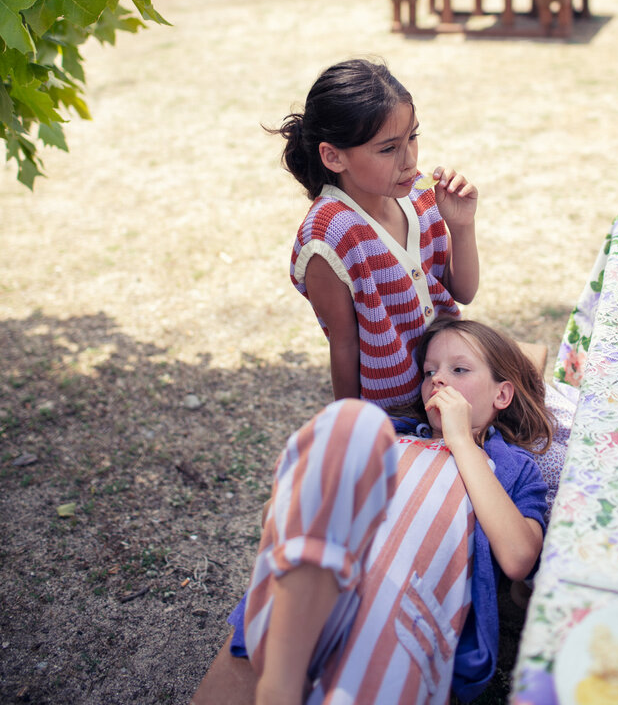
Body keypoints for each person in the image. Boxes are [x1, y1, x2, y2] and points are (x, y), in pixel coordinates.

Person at [191, 318, 553, 705]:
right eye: (429, 372)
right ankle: (295, 636)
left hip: (408, 603)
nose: (438, 381)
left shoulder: (512, 467)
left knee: (377, 616)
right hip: (335, 561)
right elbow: (275, 514)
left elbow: (519, 558)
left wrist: (462, 440)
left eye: (459, 370)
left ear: (502, 395)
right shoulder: (390, 436)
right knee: (353, 422)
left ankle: (288, 674)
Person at [268, 57, 480, 409]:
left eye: (412, 137)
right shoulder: (328, 238)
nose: (409, 160)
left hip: (457, 391)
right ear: (333, 157)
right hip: (398, 413)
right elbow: (345, 345)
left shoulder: (421, 194)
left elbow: (463, 293)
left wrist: (461, 226)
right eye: (388, 148)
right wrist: (352, 426)